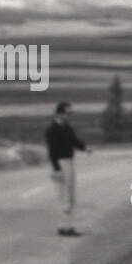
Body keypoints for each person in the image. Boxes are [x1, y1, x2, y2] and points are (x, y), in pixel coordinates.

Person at [45, 101, 91, 237]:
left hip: (69, 162)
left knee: (69, 195)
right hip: (60, 163)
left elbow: (74, 141)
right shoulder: (52, 129)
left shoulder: (67, 128)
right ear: (60, 113)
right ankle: (64, 227)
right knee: (63, 195)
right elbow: (52, 151)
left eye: (70, 113)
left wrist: (84, 148)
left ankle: (66, 226)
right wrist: (56, 169)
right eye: (68, 113)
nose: (69, 115)